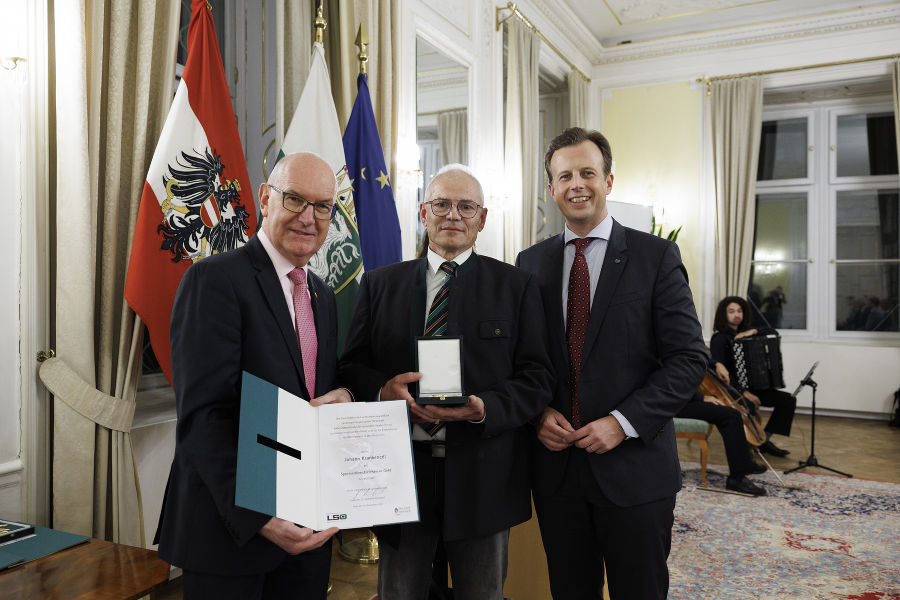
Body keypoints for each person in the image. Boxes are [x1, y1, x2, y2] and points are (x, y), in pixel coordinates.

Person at [339, 164, 553, 600]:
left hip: (484, 476)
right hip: (401, 475)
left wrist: (487, 407)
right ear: (423, 212)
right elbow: (351, 367)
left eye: (466, 206)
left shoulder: (516, 286)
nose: (453, 214)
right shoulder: (380, 285)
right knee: (400, 593)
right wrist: (383, 390)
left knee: (482, 593)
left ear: (482, 218)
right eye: (442, 204)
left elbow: (538, 377)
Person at [515, 127, 708, 600]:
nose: (577, 184)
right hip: (558, 477)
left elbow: (688, 359)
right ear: (551, 188)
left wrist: (622, 423)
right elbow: (520, 360)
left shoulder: (655, 256)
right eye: (565, 176)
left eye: (587, 172)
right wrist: (537, 414)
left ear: (609, 181)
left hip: (634, 472)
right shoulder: (529, 264)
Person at [155, 153, 353, 599]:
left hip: (305, 531)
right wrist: (261, 516)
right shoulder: (214, 279)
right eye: (295, 200)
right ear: (266, 198)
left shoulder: (320, 293)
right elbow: (204, 416)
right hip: (231, 531)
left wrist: (344, 396)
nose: (309, 217)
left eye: (323, 206)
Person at [709, 296, 796, 457]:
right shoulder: (719, 338)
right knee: (747, 405)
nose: (737, 315)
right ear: (724, 314)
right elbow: (720, 374)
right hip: (732, 391)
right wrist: (743, 392)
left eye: (740, 311)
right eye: (731, 311)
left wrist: (753, 331)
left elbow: (773, 332)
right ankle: (746, 447)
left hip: (753, 387)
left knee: (788, 401)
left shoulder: (745, 334)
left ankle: (763, 441)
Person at [676, 389, 767, 496]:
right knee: (731, 416)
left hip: (682, 399)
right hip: (674, 403)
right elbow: (672, 384)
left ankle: (744, 464)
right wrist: (701, 397)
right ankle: (737, 478)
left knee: (730, 413)